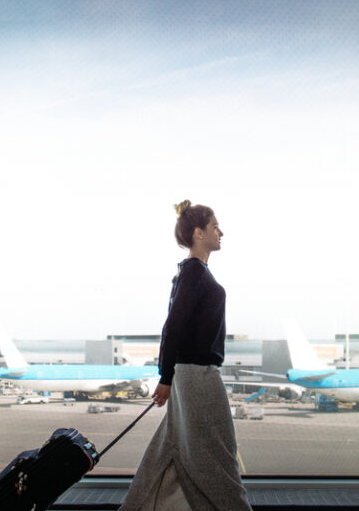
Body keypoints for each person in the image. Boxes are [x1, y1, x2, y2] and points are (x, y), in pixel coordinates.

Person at [119, 200, 251, 511]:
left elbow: (175, 328)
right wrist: (165, 378)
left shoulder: (194, 273)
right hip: (197, 376)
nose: (221, 232)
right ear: (198, 232)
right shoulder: (193, 273)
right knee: (219, 454)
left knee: (171, 450)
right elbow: (173, 327)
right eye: (215, 226)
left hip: (190, 375)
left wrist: (169, 377)